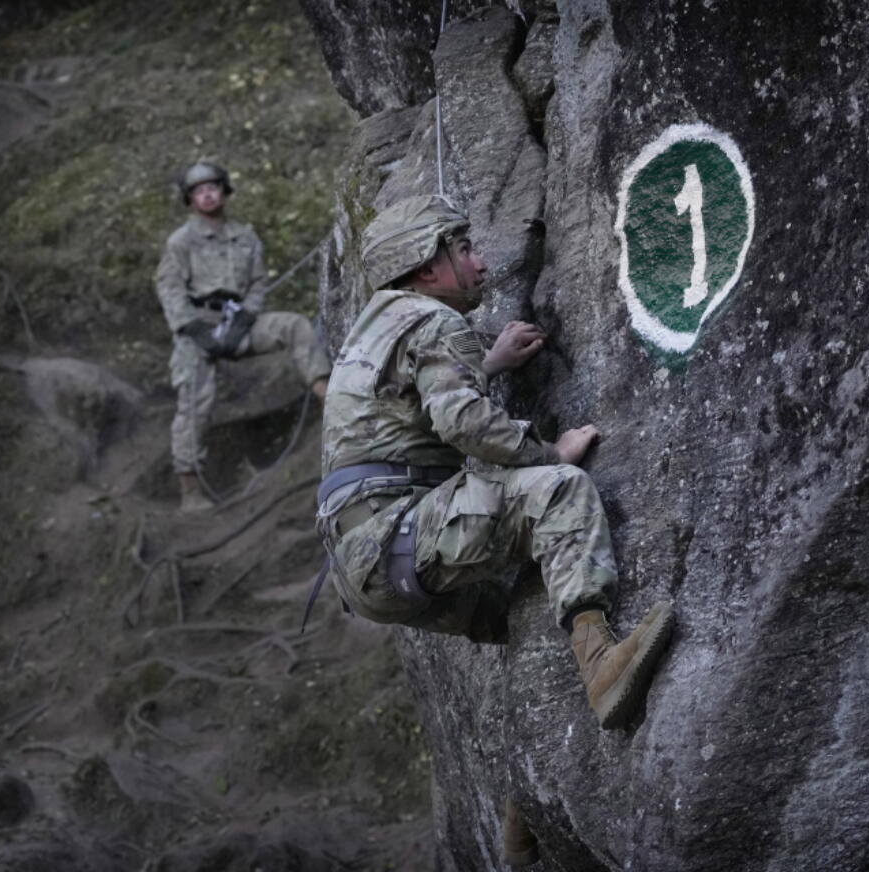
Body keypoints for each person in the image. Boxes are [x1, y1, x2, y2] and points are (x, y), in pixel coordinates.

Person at [316, 194, 675, 735]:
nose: (480, 262)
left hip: (365, 564)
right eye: (464, 248)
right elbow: (463, 425)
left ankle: (531, 801)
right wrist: (551, 453)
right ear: (429, 265)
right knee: (558, 493)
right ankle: (602, 668)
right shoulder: (433, 320)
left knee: (528, 613)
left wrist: (488, 364)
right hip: (396, 535)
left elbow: (409, 410)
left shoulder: (377, 327)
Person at [154, 162, 332, 513]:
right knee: (193, 398)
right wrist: (194, 329)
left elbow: (257, 283)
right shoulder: (181, 241)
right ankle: (190, 489)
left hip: (238, 322)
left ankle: (330, 397)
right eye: (199, 191)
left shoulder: (245, 236)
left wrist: (246, 317)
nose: (207, 194)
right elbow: (169, 288)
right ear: (190, 200)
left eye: (212, 187)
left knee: (294, 325)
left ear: (223, 191)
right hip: (198, 326)